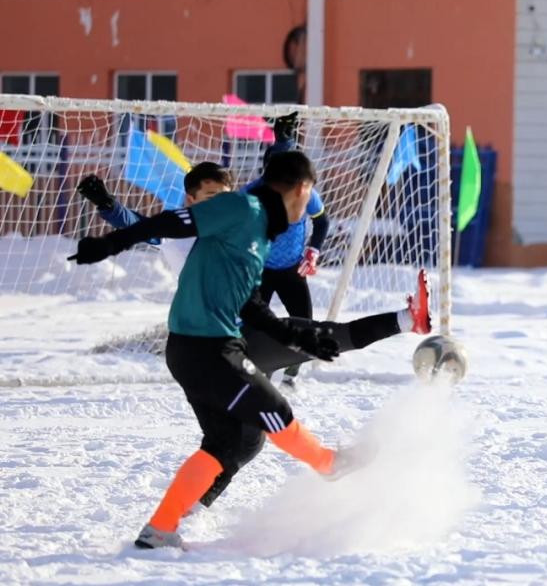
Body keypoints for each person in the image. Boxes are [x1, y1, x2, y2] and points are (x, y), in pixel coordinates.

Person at [75, 162, 431, 511]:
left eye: (225, 197)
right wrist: (106, 204)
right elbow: (137, 224)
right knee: (248, 431)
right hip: (214, 346)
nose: (221, 204)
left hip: (239, 336)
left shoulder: (240, 227)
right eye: (211, 197)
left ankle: (189, 510)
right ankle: (404, 323)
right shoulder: (180, 233)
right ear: (190, 200)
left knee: (247, 439)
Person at [241, 113, 330, 389]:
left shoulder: (306, 192)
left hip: (292, 268)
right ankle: (257, 372)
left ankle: (291, 374)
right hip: (261, 270)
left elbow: (322, 222)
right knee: (254, 325)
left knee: (305, 322)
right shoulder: (251, 193)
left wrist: (313, 250)